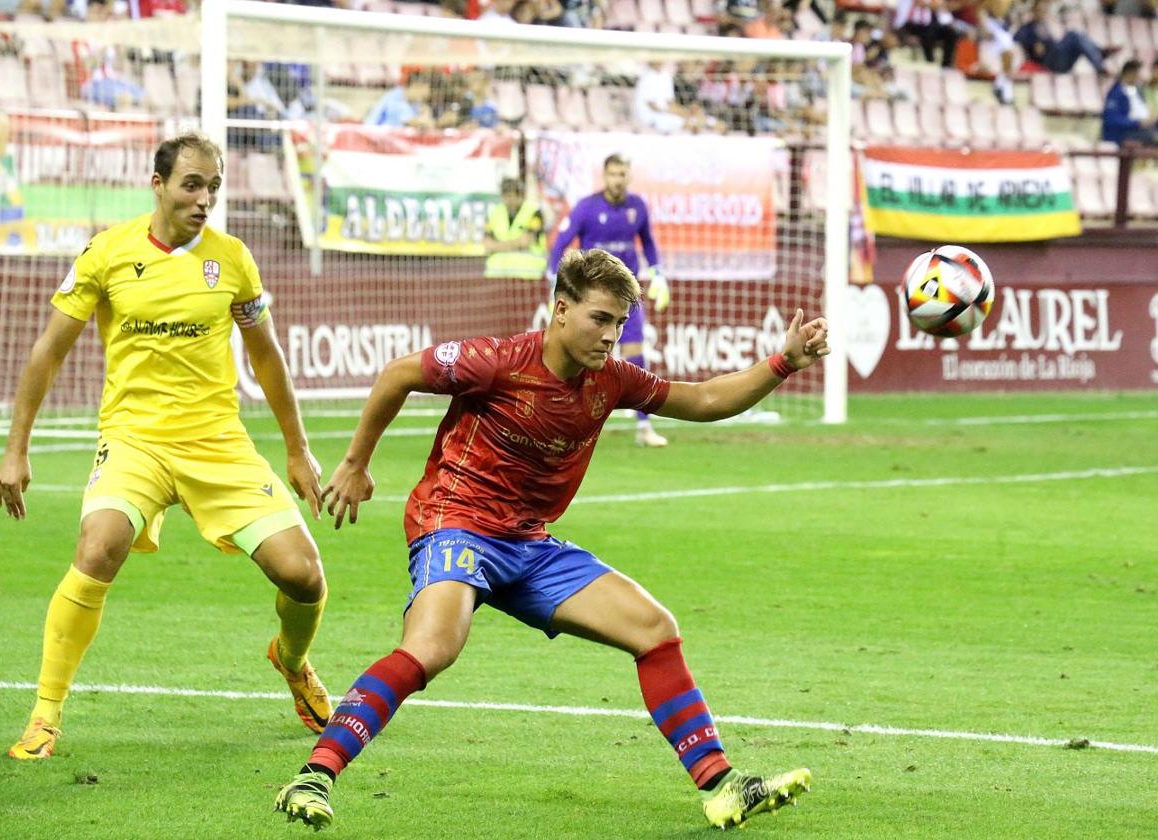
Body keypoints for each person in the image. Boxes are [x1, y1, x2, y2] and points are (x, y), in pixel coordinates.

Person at [272, 248, 826, 831]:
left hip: (529, 544)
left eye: (619, 323)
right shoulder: (496, 361)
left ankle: (722, 786)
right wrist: (356, 463)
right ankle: (313, 776)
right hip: (456, 521)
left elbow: (705, 399)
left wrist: (782, 363)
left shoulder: (611, 380)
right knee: (434, 647)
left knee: (655, 629)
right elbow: (398, 374)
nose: (611, 335)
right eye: (600, 318)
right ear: (561, 310)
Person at [0, 132, 332, 760]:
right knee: (99, 546)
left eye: (214, 187)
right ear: (158, 185)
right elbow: (48, 351)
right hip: (134, 441)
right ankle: (45, 715)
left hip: (217, 443)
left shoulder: (232, 259)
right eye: (192, 185)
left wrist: (297, 449)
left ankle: (292, 660)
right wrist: (17, 449)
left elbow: (266, 356)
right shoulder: (107, 253)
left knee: (303, 574)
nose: (204, 199)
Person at [546, 153, 672, 447]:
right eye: (613, 174)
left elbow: (649, 242)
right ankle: (564, 419)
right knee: (580, 356)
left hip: (627, 296)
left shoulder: (637, 207)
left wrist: (658, 273)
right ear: (605, 176)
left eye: (623, 174)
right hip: (591, 297)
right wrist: (555, 279)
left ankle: (644, 426)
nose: (618, 179)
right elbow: (561, 243)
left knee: (635, 352)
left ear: (629, 176)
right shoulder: (587, 207)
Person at [1013, 0, 1105, 75]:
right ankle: (1099, 59)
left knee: (1075, 36)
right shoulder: (1027, 29)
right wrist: (1033, 45)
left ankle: (1097, 53)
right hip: (1050, 62)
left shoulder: (1043, 25)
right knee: (1074, 36)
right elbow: (1017, 38)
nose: (1042, 12)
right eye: (1039, 10)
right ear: (1033, 11)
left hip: (1057, 55)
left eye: (1043, 10)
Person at [483, 176, 547, 280]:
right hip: (497, 274)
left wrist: (498, 246)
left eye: (512, 196)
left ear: (520, 196)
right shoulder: (493, 213)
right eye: (506, 197)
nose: (509, 201)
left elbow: (526, 240)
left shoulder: (534, 211)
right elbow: (487, 244)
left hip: (528, 274)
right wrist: (515, 243)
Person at [1102, 58, 1158, 146]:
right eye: (1137, 74)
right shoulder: (1116, 93)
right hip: (1124, 133)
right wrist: (1138, 123)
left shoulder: (1136, 91)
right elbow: (1111, 120)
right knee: (1154, 136)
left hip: (1143, 129)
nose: (1139, 77)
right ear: (1129, 73)